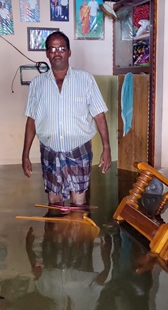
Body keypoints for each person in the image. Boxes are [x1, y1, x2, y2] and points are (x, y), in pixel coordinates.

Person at [22, 31, 111, 206]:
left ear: (69, 52)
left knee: (78, 201)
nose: (57, 52)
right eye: (52, 49)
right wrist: (25, 154)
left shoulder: (85, 79)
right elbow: (31, 120)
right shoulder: (37, 84)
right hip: (49, 150)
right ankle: (58, 233)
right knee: (54, 201)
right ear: (47, 54)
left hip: (79, 150)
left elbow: (99, 114)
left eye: (62, 48)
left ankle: (77, 231)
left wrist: (106, 147)